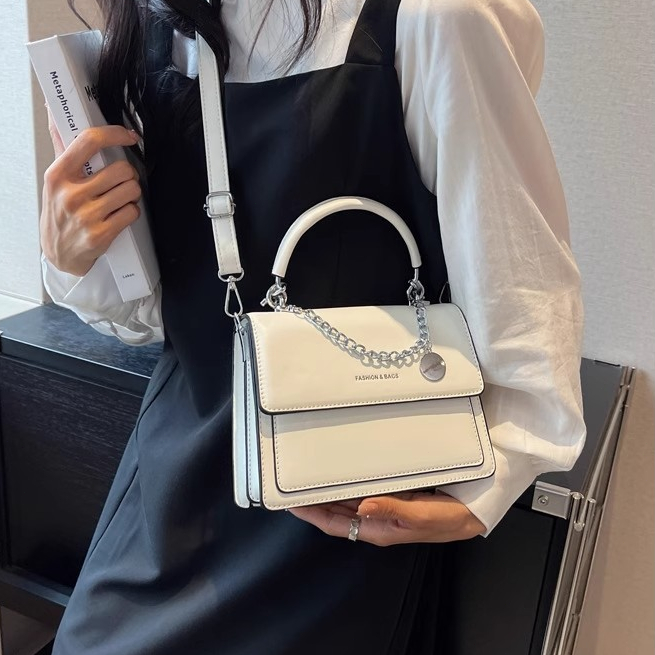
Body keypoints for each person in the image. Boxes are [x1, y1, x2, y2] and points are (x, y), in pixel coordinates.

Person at [39, 0, 586, 652]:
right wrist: (72, 257)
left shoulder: (435, 19)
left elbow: (520, 281)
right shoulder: (163, 31)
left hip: (343, 503)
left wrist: (488, 481)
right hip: (171, 485)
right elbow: (162, 318)